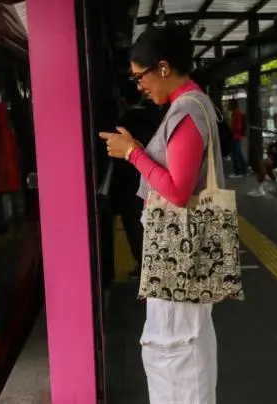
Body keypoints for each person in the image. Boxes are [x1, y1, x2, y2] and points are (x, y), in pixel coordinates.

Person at [99, 22, 223, 404]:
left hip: (179, 253)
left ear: (164, 68)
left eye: (141, 76)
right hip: (180, 254)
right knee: (180, 349)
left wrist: (132, 153)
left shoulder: (186, 112)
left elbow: (177, 192)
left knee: (176, 352)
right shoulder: (189, 106)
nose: (140, 86)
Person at [111, 83, 159, 280]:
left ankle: (143, 265)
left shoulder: (121, 124)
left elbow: (116, 158)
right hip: (154, 179)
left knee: (134, 224)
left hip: (129, 183)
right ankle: (157, 263)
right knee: (153, 222)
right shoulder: (156, 119)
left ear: (122, 100)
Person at [227, 99, 248, 178]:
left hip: (236, 136)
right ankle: (243, 170)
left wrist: (231, 127)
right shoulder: (236, 113)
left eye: (229, 104)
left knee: (236, 154)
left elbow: (238, 126)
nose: (228, 106)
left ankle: (238, 171)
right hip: (237, 136)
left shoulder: (236, 114)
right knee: (238, 153)